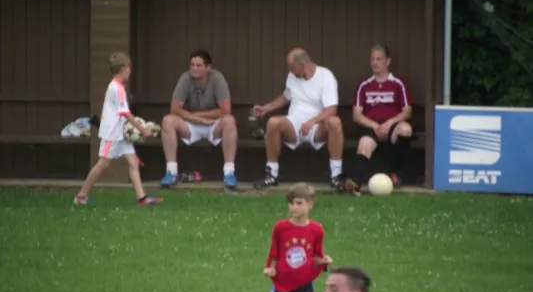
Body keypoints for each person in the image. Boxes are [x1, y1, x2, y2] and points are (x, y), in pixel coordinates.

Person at [74, 53, 163, 206]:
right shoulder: (117, 88)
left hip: (120, 133)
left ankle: (141, 198)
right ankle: (81, 196)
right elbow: (125, 113)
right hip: (112, 133)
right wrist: (143, 129)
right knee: (103, 163)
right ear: (122, 69)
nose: (130, 71)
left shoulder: (116, 86)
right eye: (129, 68)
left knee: (133, 161)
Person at [252, 48, 346, 190]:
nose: (291, 71)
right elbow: (286, 97)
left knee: (335, 122)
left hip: (317, 126)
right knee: (273, 123)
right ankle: (272, 174)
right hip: (294, 125)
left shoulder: (326, 76)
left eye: (292, 68)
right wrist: (266, 108)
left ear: (303, 65)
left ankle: (336, 176)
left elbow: (332, 109)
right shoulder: (292, 76)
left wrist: (311, 122)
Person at [159, 50, 239, 191]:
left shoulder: (217, 78)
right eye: (192, 65)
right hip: (191, 124)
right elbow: (175, 109)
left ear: (208, 67)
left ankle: (229, 173)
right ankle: (171, 173)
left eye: (198, 65)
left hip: (213, 124)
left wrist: (200, 116)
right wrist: (197, 119)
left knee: (229, 121)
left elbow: (225, 110)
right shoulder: (185, 78)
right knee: (167, 120)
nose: (194, 68)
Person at [350, 44, 413, 194]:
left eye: (379, 59)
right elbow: (356, 115)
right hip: (372, 126)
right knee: (364, 145)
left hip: (392, 125)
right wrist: (374, 125)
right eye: (372, 59)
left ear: (388, 61)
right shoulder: (364, 84)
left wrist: (389, 123)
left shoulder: (398, 83)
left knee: (406, 130)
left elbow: (407, 111)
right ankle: (354, 185)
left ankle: (394, 173)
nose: (375, 63)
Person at [264, 182, 333, 292]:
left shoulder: (316, 230)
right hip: (283, 285)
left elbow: (316, 256)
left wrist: (324, 261)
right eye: (291, 203)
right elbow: (274, 252)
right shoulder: (280, 227)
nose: (294, 207)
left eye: (299, 203)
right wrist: (271, 268)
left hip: (305, 285)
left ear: (310, 205)